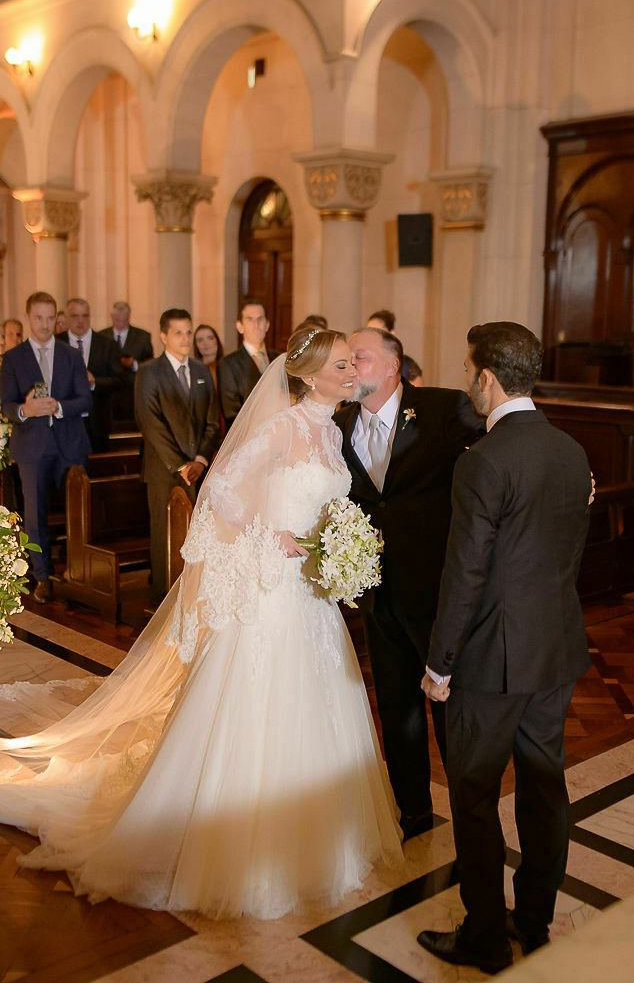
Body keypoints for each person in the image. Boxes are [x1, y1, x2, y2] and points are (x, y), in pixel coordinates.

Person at [0, 326, 402, 920]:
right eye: (341, 365)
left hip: (312, 595)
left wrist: (340, 547)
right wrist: (276, 537)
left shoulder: (329, 429)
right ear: (310, 374)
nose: (350, 372)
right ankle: (243, 845)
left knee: (318, 703)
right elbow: (220, 491)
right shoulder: (282, 426)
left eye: (351, 364)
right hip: (272, 590)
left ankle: (318, 837)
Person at [417, 322, 592, 975]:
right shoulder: (572, 452)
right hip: (557, 648)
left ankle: (486, 938)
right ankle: (535, 921)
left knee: (474, 795)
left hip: (491, 662)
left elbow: (462, 574)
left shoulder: (483, 462)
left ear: (487, 378)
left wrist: (439, 665)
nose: (467, 383)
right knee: (545, 789)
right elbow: (562, 556)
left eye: (468, 371)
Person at [334, 327, 483, 839]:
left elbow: (505, 446)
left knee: (448, 711)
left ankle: (470, 820)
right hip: (378, 595)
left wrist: (570, 477)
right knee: (396, 710)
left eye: (361, 359)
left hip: (437, 594)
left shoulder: (443, 409)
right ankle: (413, 812)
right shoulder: (338, 422)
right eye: (347, 361)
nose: (352, 369)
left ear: (394, 365)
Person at [0, 292, 91, 602]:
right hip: (32, 447)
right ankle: (41, 577)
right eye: (38, 317)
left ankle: (79, 575)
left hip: (70, 443)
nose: (44, 324)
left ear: (57, 318)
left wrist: (59, 407)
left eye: (50, 318)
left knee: (76, 511)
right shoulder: (13, 358)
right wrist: (26, 410)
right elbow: (7, 405)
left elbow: (85, 398)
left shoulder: (70, 354)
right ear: (29, 318)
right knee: (35, 514)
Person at [135, 309, 221, 605]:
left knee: (198, 531)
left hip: (199, 467)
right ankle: (163, 596)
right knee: (165, 533)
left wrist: (199, 460)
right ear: (163, 336)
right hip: (163, 468)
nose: (185, 338)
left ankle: (193, 593)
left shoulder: (201, 371)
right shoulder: (149, 371)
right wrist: (181, 464)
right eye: (178, 333)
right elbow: (150, 423)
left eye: (188, 331)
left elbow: (212, 420)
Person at [57, 298, 124, 453]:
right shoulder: (55, 344)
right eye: (75, 316)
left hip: (97, 423)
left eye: (85, 316)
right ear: (66, 318)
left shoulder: (107, 345)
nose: (81, 321)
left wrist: (94, 383)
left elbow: (120, 381)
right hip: (64, 422)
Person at [217, 300, 280, 430]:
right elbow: (231, 413)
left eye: (260, 319)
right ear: (240, 326)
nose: (256, 325)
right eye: (249, 319)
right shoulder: (228, 364)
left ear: (267, 325)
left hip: (282, 436)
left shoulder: (280, 358)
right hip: (249, 438)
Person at [192, 323, 224, 393]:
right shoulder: (192, 372)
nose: (206, 343)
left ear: (217, 340)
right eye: (200, 340)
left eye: (210, 338)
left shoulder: (229, 367)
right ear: (196, 345)